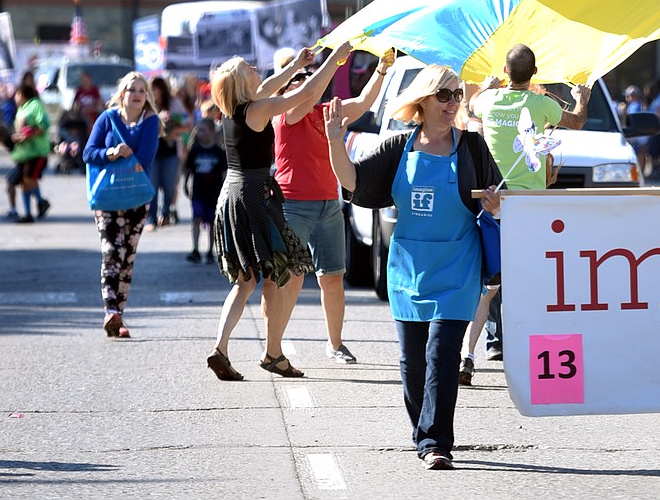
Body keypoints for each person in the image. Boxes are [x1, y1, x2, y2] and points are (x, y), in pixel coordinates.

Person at [323, 65, 501, 471]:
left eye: (457, 94)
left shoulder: (472, 147)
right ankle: (424, 433)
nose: (453, 102)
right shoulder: (397, 147)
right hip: (407, 269)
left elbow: (498, 198)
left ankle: (435, 442)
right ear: (422, 99)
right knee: (413, 362)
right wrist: (335, 141)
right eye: (444, 95)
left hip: (458, 267)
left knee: (442, 355)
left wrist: (495, 204)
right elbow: (353, 181)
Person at [205, 47, 341, 381]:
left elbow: (272, 85)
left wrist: (297, 64)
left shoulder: (238, 107)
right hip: (253, 195)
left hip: (233, 193)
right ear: (241, 81)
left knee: (246, 279)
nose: (256, 68)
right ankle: (273, 354)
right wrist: (335, 59)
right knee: (277, 270)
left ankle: (221, 348)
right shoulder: (260, 108)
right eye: (249, 67)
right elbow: (306, 93)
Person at [464, 44, 590, 373]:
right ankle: (540, 359)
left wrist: (488, 88)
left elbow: (468, 111)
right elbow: (575, 123)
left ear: (505, 72)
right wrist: (582, 98)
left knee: (489, 288)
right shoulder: (541, 103)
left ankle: (467, 355)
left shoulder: (489, 100)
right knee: (536, 283)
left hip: (494, 202)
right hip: (529, 207)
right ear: (535, 74)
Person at [272, 41, 393, 365]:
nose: (304, 82)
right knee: (290, 278)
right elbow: (310, 92)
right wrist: (337, 60)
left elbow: (366, 102)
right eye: (297, 78)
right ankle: (274, 347)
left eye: (306, 76)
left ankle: (335, 345)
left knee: (333, 277)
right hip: (293, 204)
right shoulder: (285, 112)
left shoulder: (324, 112)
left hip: (328, 204)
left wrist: (382, 68)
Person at [83, 72, 161, 338]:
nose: (137, 94)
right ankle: (110, 311)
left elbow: (145, 158)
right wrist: (110, 153)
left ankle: (119, 317)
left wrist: (124, 153)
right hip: (107, 198)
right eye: (131, 90)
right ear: (122, 94)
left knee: (127, 256)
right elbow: (88, 153)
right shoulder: (107, 118)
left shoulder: (151, 122)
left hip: (137, 197)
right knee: (111, 251)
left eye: (142, 90)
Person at [5, 81, 52, 223]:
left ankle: (41, 201)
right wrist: (17, 137)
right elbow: (22, 130)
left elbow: (44, 124)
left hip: (36, 152)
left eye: (17, 94)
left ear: (22, 94)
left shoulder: (35, 105)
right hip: (23, 154)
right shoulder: (21, 109)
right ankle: (28, 214)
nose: (15, 98)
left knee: (28, 178)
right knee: (24, 182)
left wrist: (28, 135)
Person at [183, 118, 227, 263]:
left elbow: (223, 173)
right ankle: (195, 249)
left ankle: (210, 250)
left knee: (213, 222)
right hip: (198, 192)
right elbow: (188, 169)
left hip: (214, 192)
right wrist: (185, 184)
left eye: (203, 130)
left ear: (212, 132)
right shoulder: (194, 150)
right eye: (198, 130)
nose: (200, 133)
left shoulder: (219, 152)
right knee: (197, 219)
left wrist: (225, 190)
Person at [145, 75, 187, 228]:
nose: (153, 92)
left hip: (170, 151)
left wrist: (175, 131)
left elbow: (187, 123)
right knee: (153, 186)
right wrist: (158, 119)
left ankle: (166, 213)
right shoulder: (147, 105)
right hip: (153, 153)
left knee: (170, 186)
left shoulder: (174, 103)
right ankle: (151, 218)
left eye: (155, 88)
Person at [70, 71, 104, 137]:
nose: (85, 82)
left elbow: (99, 103)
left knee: (91, 119)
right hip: (81, 114)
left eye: (87, 80)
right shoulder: (79, 91)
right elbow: (75, 104)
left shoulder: (94, 90)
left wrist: (93, 109)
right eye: (83, 80)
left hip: (92, 113)